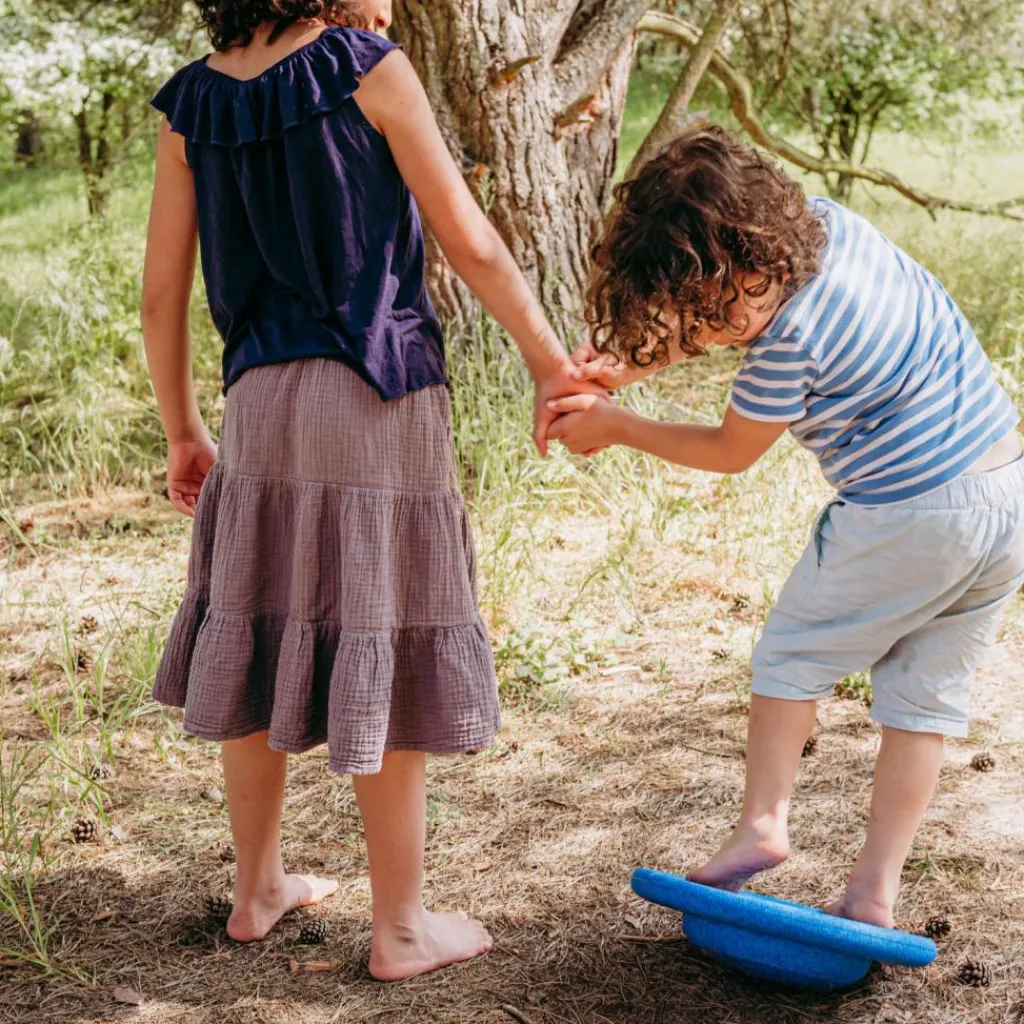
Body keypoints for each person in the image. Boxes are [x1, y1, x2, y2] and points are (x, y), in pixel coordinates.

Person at [141, 0, 593, 980]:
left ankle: (256, 889)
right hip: (377, 395)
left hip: (257, 401)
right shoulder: (366, 67)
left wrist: (183, 428)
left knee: (253, 624)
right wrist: (551, 366)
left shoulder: (191, 104)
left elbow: (160, 292)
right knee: (380, 629)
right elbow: (470, 240)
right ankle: (400, 929)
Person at [548, 125, 1024, 929]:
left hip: (910, 512)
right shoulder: (831, 226)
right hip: (1006, 492)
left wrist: (619, 425)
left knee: (790, 659)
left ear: (756, 252)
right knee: (923, 703)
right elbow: (734, 322)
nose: (715, 327)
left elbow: (732, 452)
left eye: (719, 306)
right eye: (695, 312)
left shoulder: (786, 344)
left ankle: (763, 824)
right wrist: (630, 365)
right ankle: (874, 891)